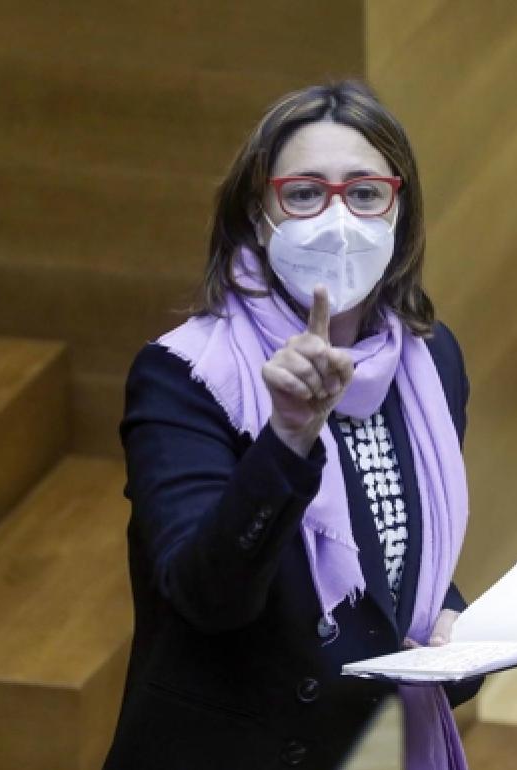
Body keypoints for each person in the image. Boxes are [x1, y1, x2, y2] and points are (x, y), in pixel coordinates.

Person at [100, 80, 481, 770]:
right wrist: (288, 437)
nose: (338, 219)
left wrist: (452, 620)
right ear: (257, 211)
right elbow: (206, 598)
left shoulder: (428, 361)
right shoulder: (184, 375)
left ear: (400, 212)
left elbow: (395, 552)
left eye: (365, 193)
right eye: (304, 193)